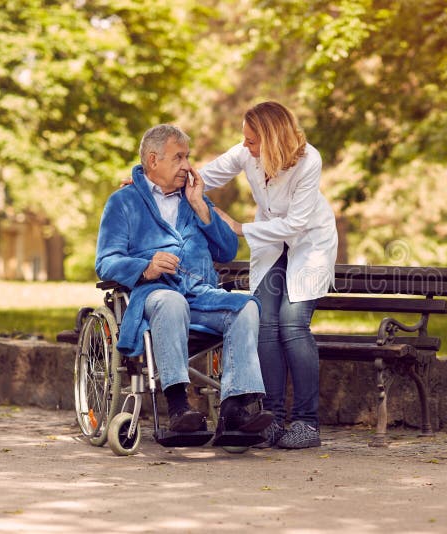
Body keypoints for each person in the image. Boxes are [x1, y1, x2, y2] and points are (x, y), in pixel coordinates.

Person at [95, 124, 272, 444]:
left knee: (245, 306)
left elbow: (227, 250)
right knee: (170, 301)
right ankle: (179, 406)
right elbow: (106, 261)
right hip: (155, 293)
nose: (187, 166)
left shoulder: (194, 198)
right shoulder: (123, 202)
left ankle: (235, 408)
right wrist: (145, 267)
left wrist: (201, 205)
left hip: (201, 293)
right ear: (152, 160)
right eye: (178, 158)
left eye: (187, 157)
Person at [200, 101, 338, 449]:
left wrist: (239, 228)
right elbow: (204, 177)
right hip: (272, 244)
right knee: (264, 323)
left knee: (292, 325)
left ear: (273, 138)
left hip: (309, 243)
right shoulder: (247, 154)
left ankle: (307, 424)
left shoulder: (309, 161)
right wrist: (146, 179)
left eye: (252, 140)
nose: (245, 145)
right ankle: (274, 419)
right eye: (244, 139)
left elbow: (296, 223)